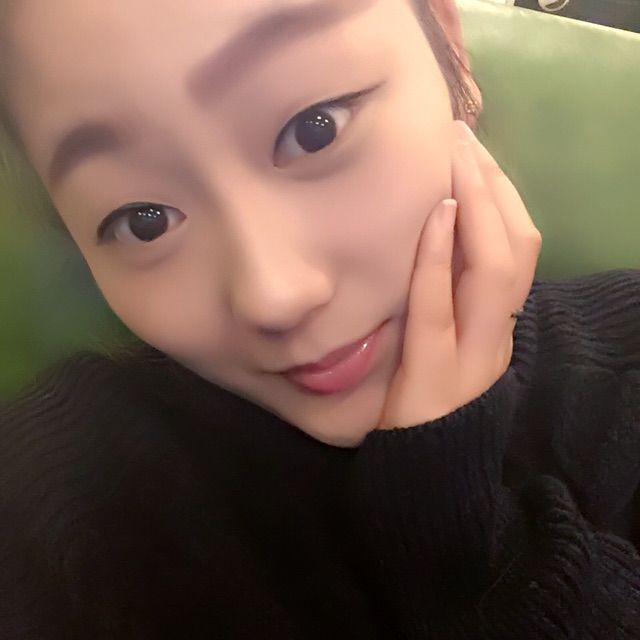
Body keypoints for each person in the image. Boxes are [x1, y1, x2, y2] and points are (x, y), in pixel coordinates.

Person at [0, 0, 639, 637]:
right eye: (143, 221)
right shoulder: (55, 492)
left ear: (448, 45)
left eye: (315, 128)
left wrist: (464, 546)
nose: (273, 295)